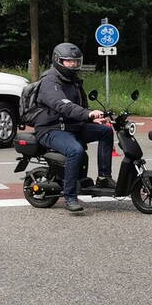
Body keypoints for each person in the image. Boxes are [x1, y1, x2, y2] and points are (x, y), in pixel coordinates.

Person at [33, 43, 115, 214]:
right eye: (68, 62)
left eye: (75, 62)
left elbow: (80, 106)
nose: (73, 65)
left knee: (106, 132)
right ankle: (70, 196)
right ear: (57, 60)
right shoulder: (50, 81)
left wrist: (93, 119)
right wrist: (88, 114)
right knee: (75, 151)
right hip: (51, 129)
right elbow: (63, 106)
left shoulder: (74, 81)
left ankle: (104, 178)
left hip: (72, 126)